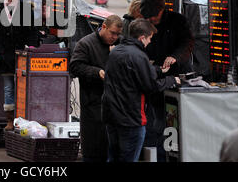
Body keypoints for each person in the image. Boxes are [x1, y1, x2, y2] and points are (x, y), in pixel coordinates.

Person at [102, 18, 180, 162]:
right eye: (149, 38)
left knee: (113, 157)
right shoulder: (139, 56)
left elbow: (132, 73)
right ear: (142, 37)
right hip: (130, 119)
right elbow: (150, 86)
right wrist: (171, 80)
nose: (150, 42)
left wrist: (158, 70)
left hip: (111, 115)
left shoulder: (116, 51)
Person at [140, 0, 194, 162]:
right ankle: (155, 154)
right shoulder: (145, 22)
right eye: (147, 18)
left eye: (154, 17)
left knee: (171, 120)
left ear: (162, 10)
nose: (151, 21)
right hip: (155, 74)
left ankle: (168, 154)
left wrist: (175, 57)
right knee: (155, 120)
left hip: (175, 74)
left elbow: (187, 43)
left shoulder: (178, 21)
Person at [70, 14, 123, 162]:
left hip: (115, 105)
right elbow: (75, 67)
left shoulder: (119, 44)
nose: (114, 37)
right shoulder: (86, 43)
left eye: (118, 34)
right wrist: (96, 72)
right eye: (112, 33)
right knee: (94, 149)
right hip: (93, 103)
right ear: (104, 27)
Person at [0, 0, 38, 131]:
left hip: (23, 57)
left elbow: (33, 32)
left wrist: (29, 48)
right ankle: (10, 121)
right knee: (9, 89)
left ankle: (23, 119)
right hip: (6, 58)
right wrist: (0, 52)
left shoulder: (26, 10)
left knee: (24, 88)